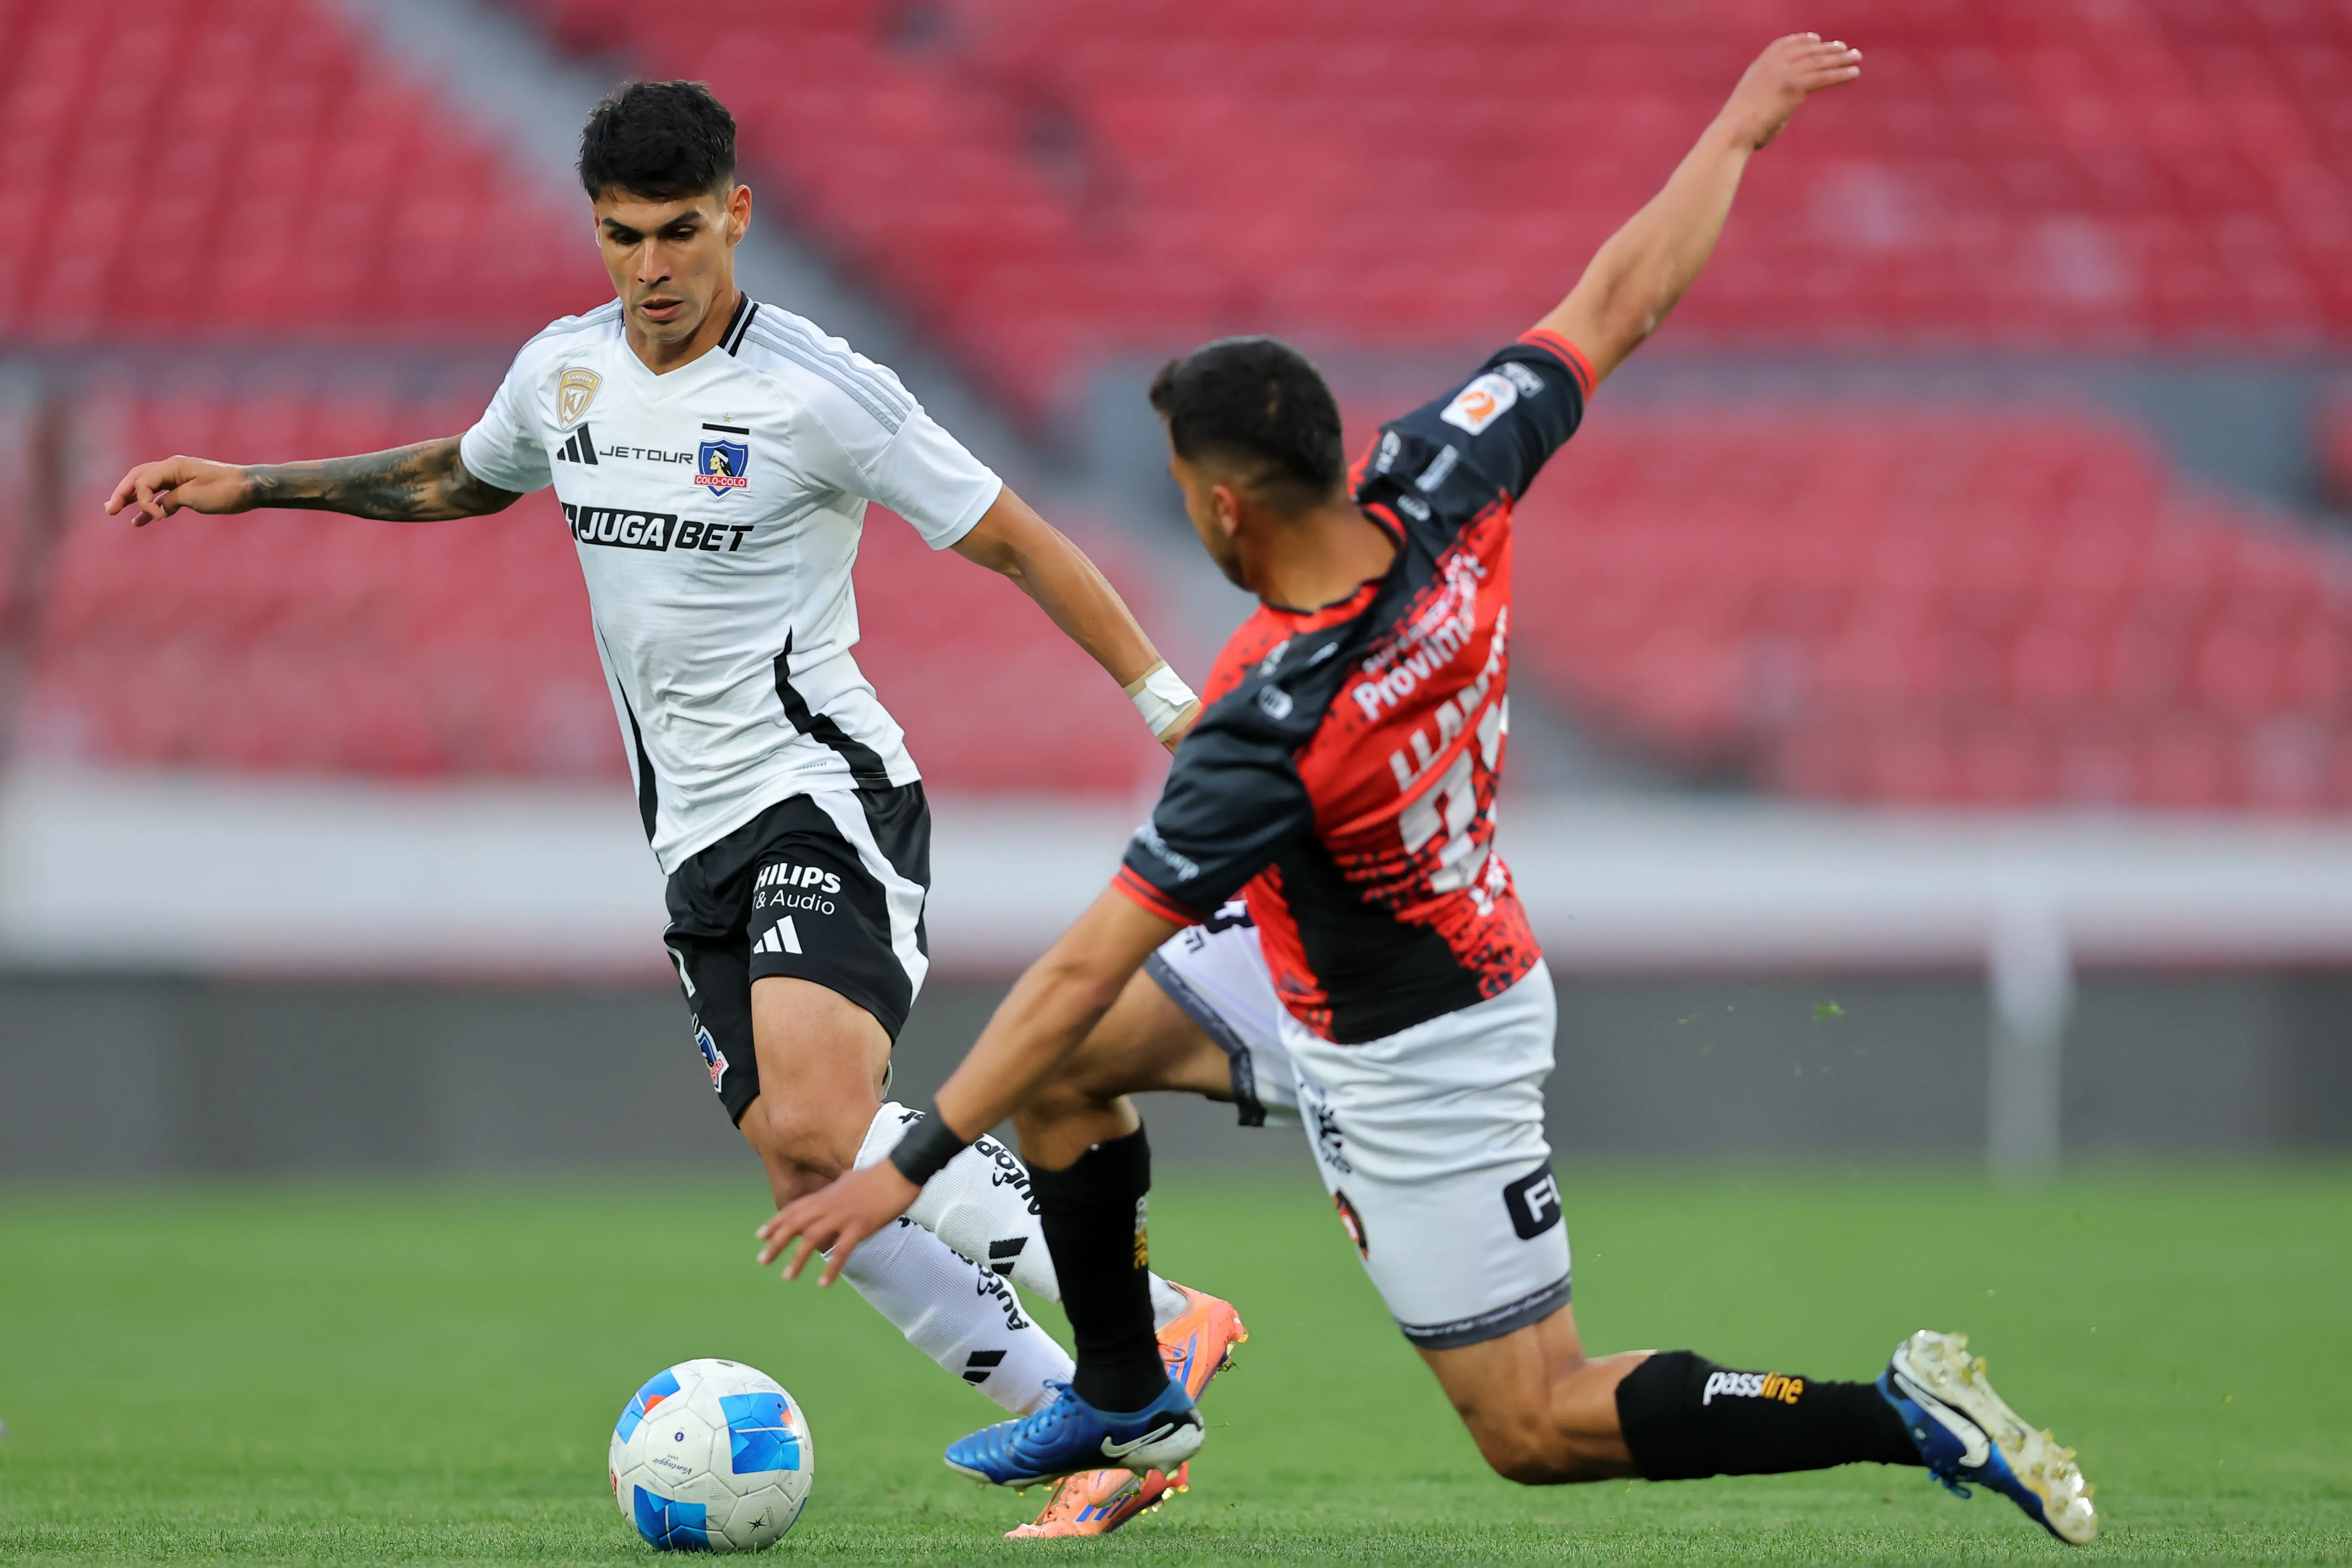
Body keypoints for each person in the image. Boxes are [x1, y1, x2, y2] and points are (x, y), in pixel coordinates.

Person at [756, 34, 2098, 1548]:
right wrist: (1734, 129)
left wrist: (910, 1167)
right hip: (1323, 951)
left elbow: (1082, 961)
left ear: (1219, 505)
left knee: (1538, 1423)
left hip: (1418, 1053)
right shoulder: (1438, 481)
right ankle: (1131, 1396)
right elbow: (1619, 301)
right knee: (1072, 1080)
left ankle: (1895, 1408)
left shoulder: (1276, 715)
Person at [103, 79, 1244, 1537]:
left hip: (823, 795)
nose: (650, 270)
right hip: (690, 838)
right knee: (799, 1158)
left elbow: (1017, 539)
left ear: (737, 218)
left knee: (827, 1109)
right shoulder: (564, 373)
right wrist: (251, 486)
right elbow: (462, 474)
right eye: (621, 237)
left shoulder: (820, 389)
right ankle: (1078, 1417)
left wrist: (1164, 701)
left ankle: (1152, 1314)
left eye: (679, 233)